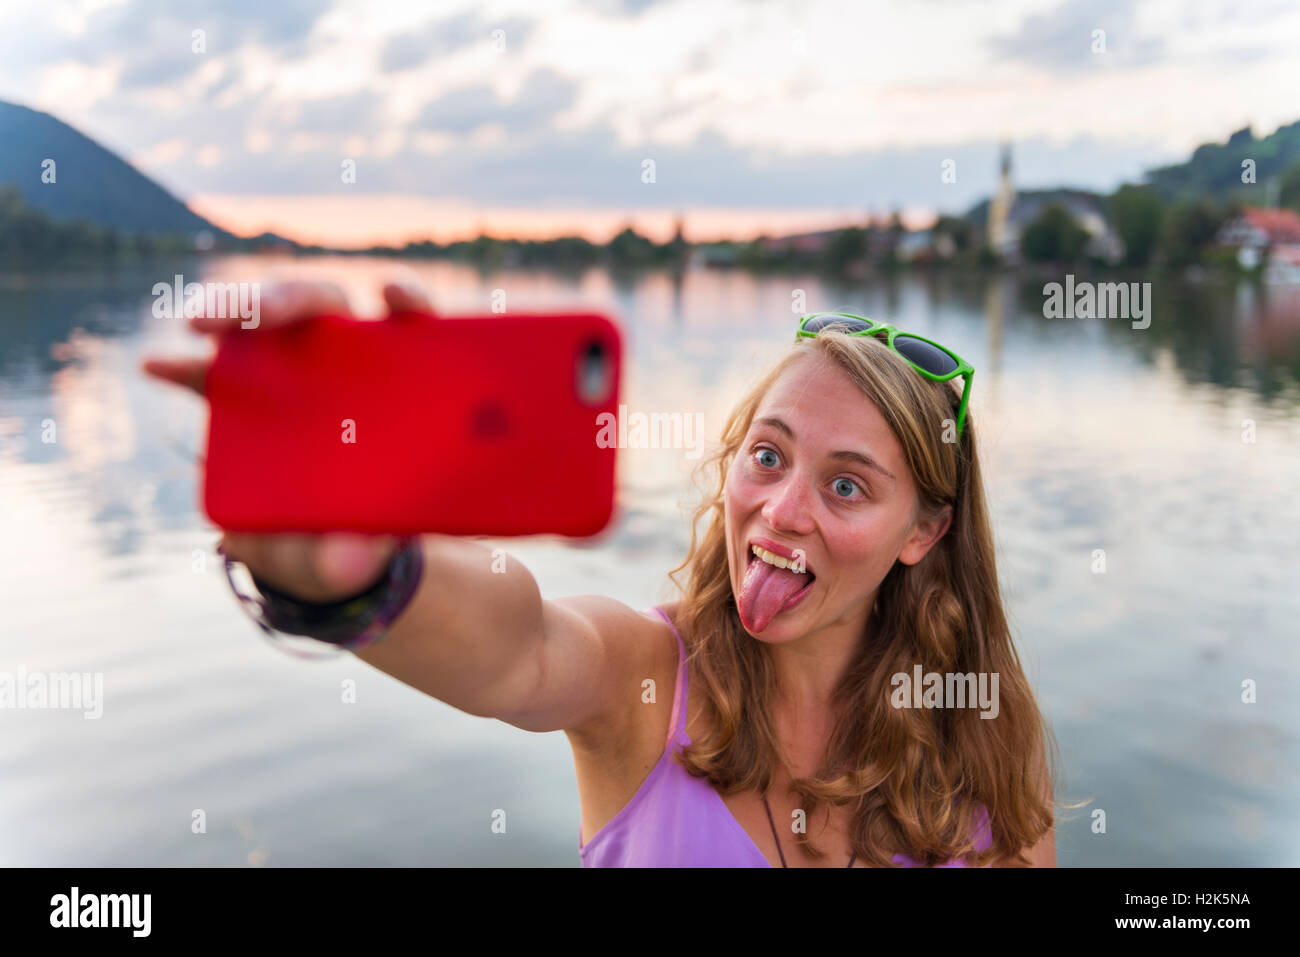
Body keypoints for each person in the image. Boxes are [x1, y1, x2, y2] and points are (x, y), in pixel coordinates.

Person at [143, 279, 1058, 868]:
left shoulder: (979, 747)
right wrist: (358, 570)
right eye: (768, 457)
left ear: (924, 531)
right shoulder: (643, 677)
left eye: (848, 484)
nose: (782, 512)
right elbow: (522, 646)